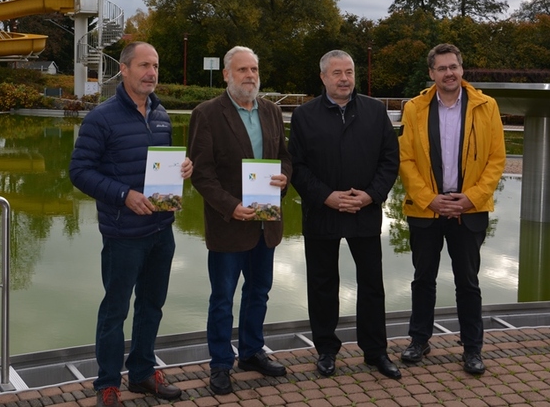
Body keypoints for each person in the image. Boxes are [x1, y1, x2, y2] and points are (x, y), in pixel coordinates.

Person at [69, 41, 192, 407]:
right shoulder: (101, 118)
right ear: (124, 69)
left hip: (161, 230)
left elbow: (160, 169)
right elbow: (79, 171)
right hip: (123, 234)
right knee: (115, 311)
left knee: (152, 305)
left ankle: (141, 374)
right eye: (143, 65)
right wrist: (124, 195)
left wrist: (183, 172)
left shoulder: (161, 114)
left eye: (155, 65)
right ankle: (107, 383)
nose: (151, 72)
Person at [288, 50, 401, 380]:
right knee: (322, 284)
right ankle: (326, 350)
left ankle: (376, 351)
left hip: (364, 211)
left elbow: (389, 161)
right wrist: (326, 196)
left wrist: (370, 196)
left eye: (348, 72)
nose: (344, 78)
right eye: (336, 73)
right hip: (322, 212)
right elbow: (297, 166)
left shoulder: (375, 112)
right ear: (322, 77)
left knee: (371, 284)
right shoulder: (305, 115)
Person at [188, 46, 292, 396]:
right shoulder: (207, 113)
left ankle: (250, 352)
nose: (250, 75)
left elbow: (284, 159)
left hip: (266, 222)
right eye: (243, 69)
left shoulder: (272, 111)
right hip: (229, 223)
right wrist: (230, 206)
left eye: (254, 69)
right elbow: (202, 174)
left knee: (259, 292)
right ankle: (220, 365)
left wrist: (284, 179)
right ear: (227, 75)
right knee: (222, 298)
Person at [398, 43, 506, 376]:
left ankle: (472, 348)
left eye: (454, 67)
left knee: (468, 282)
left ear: (462, 69)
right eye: (442, 68)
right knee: (423, 280)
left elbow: (496, 160)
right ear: (431, 73)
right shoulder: (414, 109)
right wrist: (429, 198)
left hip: (468, 209)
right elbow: (406, 160)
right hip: (426, 209)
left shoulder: (486, 107)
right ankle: (419, 340)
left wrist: (471, 197)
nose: (449, 73)